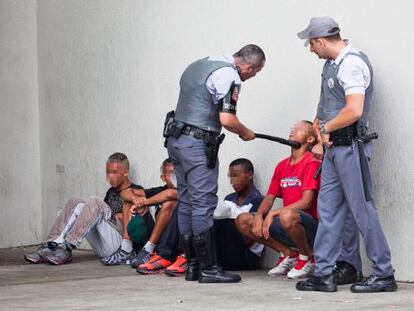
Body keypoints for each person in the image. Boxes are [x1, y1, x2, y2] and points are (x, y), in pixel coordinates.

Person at [295, 16, 397, 293]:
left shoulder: (352, 64)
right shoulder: (332, 65)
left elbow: (354, 110)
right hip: (333, 150)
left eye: (311, 44)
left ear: (319, 40)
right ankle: (324, 273)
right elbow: (327, 105)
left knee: (363, 211)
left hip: (350, 147)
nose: (310, 50)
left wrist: (326, 127)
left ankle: (384, 273)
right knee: (328, 212)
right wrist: (319, 129)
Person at [166, 44, 265, 283]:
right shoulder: (229, 75)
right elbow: (227, 119)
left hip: (175, 140)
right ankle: (209, 268)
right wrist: (244, 131)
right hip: (198, 144)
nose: (252, 77)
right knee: (203, 202)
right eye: (256, 72)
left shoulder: (199, 64)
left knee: (187, 200)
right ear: (249, 66)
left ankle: (192, 267)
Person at [236, 121, 320, 279]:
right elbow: (269, 198)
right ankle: (289, 254)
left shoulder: (311, 162)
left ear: (310, 139)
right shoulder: (282, 165)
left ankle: (307, 257)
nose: (292, 131)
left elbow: (307, 202)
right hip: (288, 222)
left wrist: (273, 213)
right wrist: (260, 216)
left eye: (298, 129)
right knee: (244, 220)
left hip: (311, 227)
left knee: (287, 214)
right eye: (292, 129)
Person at [25, 152, 141, 265]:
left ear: (126, 172)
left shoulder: (136, 190)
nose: (109, 177)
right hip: (103, 248)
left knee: (94, 202)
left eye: (114, 172)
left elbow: (135, 223)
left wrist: (119, 216)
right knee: (75, 202)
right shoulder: (111, 192)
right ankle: (51, 245)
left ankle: (68, 246)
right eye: (108, 172)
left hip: (120, 246)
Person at [213, 158, 264, 270]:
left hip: (246, 256)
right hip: (227, 251)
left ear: (250, 175)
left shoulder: (258, 200)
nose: (232, 181)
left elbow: (250, 239)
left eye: (236, 175)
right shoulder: (229, 198)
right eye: (230, 176)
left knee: (220, 221)